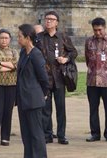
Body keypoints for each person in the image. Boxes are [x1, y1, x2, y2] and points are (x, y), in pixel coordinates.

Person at [36, 11, 77, 144]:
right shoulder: (39, 38)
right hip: (44, 78)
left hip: (60, 78)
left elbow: (74, 51)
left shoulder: (63, 37)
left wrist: (66, 59)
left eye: (52, 19)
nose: (48, 21)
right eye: (47, 19)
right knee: (45, 109)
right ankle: (47, 135)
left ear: (57, 22)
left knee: (61, 108)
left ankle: (61, 135)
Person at [84, 17, 107, 143]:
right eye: (95, 30)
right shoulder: (89, 41)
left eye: (100, 30)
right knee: (93, 108)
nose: (98, 33)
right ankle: (95, 133)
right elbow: (87, 59)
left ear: (105, 28)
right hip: (92, 80)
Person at [16, 24, 49, 158]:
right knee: (26, 134)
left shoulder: (36, 54)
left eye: (19, 36)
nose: (18, 39)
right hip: (22, 99)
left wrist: (42, 94)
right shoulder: (23, 52)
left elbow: (44, 79)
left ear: (27, 38)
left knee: (36, 134)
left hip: (34, 100)